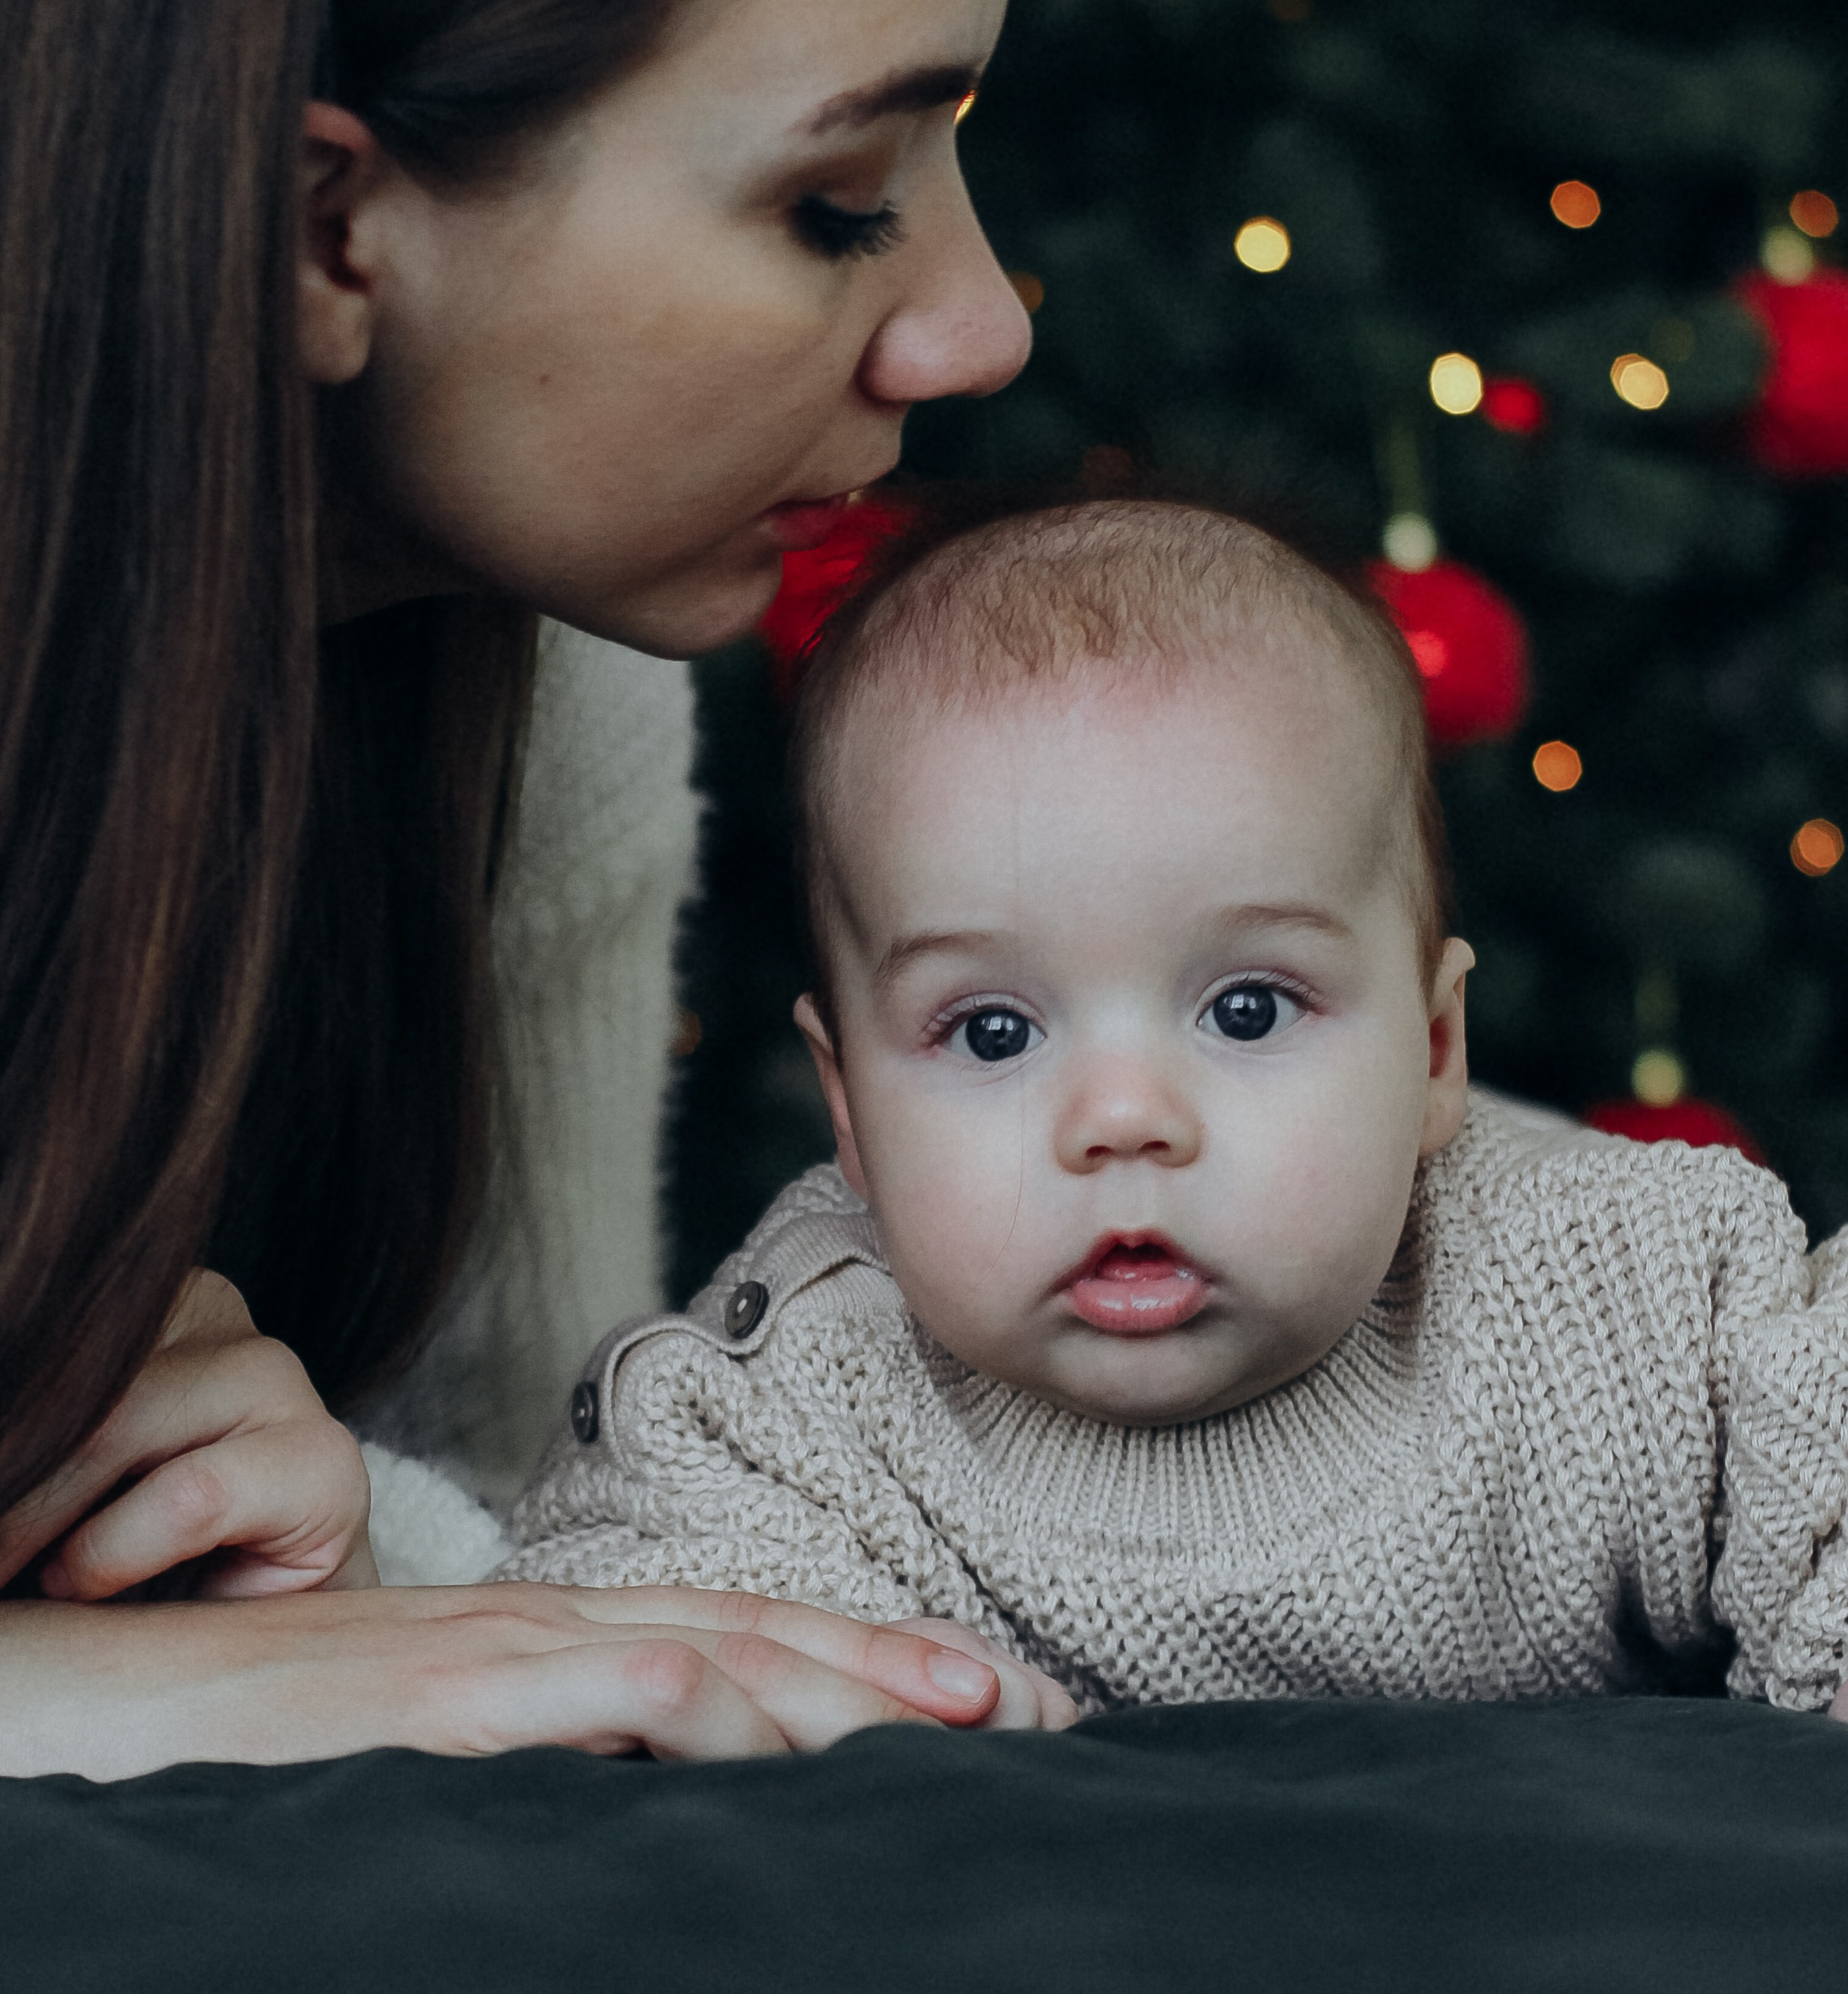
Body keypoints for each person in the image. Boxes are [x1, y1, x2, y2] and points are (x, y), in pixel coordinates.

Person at [0, 0, 1071, 1776]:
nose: (981, 322)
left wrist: (313, 1536)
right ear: (321, 222)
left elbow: (529, 1536)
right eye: (835, 201)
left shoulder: (554, 683)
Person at [504, 492, 1848, 1718]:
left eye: (1248, 1009)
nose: (1123, 1119)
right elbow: (627, 1612)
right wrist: (837, 1725)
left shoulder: (1604, 1301)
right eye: (991, 1030)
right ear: (848, 1110)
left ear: (1437, 1048)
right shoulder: (809, 1407)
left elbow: (1819, 1430)